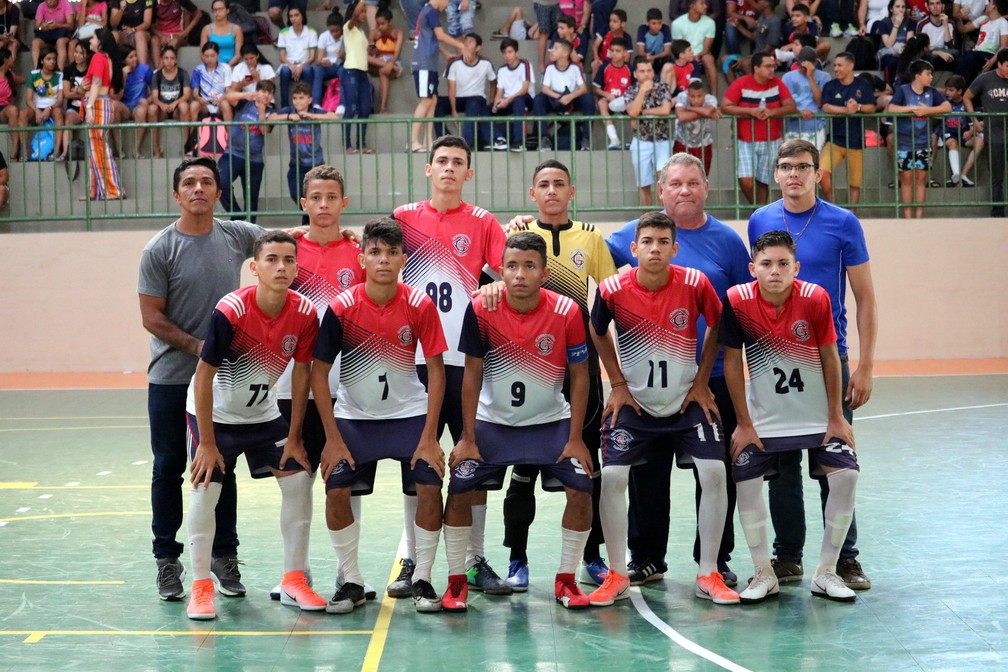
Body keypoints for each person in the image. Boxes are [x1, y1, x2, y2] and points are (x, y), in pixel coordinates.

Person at [605, 152, 750, 589]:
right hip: (647, 382)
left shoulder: (727, 242)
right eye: (675, 183)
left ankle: (715, 560)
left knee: (714, 470)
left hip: (711, 382)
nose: (684, 190)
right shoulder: (630, 237)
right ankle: (647, 555)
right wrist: (519, 227)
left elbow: (742, 309)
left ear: (706, 187)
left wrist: (720, 379)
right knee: (649, 471)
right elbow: (576, 254)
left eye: (692, 182)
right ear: (661, 189)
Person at [587, 210, 739, 608]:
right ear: (634, 248)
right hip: (636, 403)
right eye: (647, 242)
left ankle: (709, 570)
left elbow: (719, 326)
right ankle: (618, 571)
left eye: (663, 242)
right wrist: (617, 384)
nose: (655, 249)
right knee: (614, 477)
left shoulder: (695, 283)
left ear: (676, 248)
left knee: (715, 471)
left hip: (686, 400)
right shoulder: (612, 288)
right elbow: (596, 329)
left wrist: (703, 381)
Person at [748, 138, 877, 592]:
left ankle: (846, 558)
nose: (794, 174)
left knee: (835, 460)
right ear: (777, 172)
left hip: (829, 357)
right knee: (780, 466)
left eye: (803, 166)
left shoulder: (843, 223)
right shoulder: (760, 219)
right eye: (785, 166)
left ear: (818, 174)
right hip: (773, 358)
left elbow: (865, 299)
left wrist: (864, 366)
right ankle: (788, 558)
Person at [442, 232, 596, 612]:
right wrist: (467, 437)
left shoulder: (567, 311)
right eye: (512, 266)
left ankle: (566, 579)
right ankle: (457, 581)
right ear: (501, 271)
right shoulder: (481, 310)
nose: (520, 274)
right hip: (494, 425)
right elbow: (471, 374)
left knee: (581, 487)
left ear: (544, 272)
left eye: (529, 266)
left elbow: (580, 375)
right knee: (459, 486)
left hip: (550, 424)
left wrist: (575, 437)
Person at [390, 135, 510, 600]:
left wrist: (492, 287)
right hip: (412, 359)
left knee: (469, 457)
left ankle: (474, 559)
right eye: (441, 161)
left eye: (457, 162)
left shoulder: (482, 222)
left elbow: (509, 270)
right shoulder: (403, 219)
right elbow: (372, 260)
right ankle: (412, 559)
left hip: (465, 360)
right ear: (428, 169)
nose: (448, 169)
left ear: (468, 173)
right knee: (414, 462)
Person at [137, 157, 263, 603]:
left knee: (219, 467)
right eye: (189, 182)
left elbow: (288, 245)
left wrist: (335, 237)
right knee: (169, 467)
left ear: (217, 192)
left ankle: (223, 557)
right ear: (177, 194)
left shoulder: (236, 235)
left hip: (224, 382)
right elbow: (152, 317)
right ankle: (167, 561)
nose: (198, 188)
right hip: (173, 378)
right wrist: (200, 348)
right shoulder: (159, 249)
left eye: (207, 182)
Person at [183, 229, 323, 620]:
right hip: (216, 416)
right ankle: (200, 587)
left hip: (262, 416)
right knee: (205, 489)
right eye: (272, 259)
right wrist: (207, 444)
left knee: (297, 481)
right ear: (254, 267)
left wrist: (294, 437)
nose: (281, 267)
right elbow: (204, 374)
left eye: (289, 260)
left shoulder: (305, 312)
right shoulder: (232, 311)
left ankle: (295, 580)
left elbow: (302, 374)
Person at [311, 217, 449, 614]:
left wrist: (429, 436)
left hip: (409, 417)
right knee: (335, 487)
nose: (383, 260)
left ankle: (422, 576)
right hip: (355, 420)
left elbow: (436, 371)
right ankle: (351, 580)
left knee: (429, 485)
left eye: (391, 253)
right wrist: (333, 438)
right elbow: (319, 374)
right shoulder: (342, 307)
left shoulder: (419, 304)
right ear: (362, 258)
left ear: (404, 258)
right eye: (375, 252)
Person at [495, 159, 617, 592]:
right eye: (543, 185)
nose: (551, 191)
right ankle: (517, 558)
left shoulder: (591, 238)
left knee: (586, 463)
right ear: (533, 194)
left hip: (579, 367)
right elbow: (494, 290)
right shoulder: (515, 236)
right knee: (523, 466)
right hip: (527, 367)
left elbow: (605, 303)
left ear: (572, 191)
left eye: (559, 184)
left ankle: (592, 554)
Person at [720, 229, 860, 604]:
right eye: (766, 264)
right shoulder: (736, 301)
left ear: (796, 267)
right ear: (753, 268)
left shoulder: (815, 298)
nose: (775, 271)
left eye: (783, 264)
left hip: (817, 418)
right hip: (766, 421)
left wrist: (835, 417)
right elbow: (732, 363)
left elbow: (832, 357)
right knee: (745, 477)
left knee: (846, 476)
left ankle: (826, 571)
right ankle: (764, 572)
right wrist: (744, 423)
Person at [268, 165, 369, 604]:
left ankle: (349, 574)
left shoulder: (359, 253)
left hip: (345, 389)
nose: (324, 206)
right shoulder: (288, 253)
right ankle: (295, 573)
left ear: (343, 204)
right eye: (316, 198)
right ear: (304, 203)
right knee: (295, 482)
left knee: (343, 481)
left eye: (332, 197)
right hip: (292, 386)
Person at [721, 50, 797, 205]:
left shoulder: (777, 83)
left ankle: (760, 213)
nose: (772, 69)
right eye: (768, 66)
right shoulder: (741, 83)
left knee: (763, 181)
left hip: (772, 139)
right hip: (745, 140)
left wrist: (772, 112)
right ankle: (759, 210)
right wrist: (750, 111)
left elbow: (791, 106)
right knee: (746, 180)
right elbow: (725, 107)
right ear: (756, 68)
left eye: (773, 66)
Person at [886, 59, 950, 218]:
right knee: (906, 180)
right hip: (904, 143)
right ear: (917, 76)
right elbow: (891, 108)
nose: (931, 77)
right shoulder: (903, 90)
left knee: (922, 180)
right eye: (928, 74)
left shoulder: (932, 92)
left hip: (924, 142)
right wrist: (913, 109)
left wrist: (927, 110)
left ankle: (919, 217)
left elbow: (947, 107)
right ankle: (907, 217)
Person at [818, 51, 878, 206]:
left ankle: (851, 218)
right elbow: (825, 106)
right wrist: (845, 110)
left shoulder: (863, 86)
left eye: (839, 65)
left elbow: (871, 107)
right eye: (835, 65)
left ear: (850, 66)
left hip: (856, 141)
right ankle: (835, 208)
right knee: (822, 172)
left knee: (854, 184)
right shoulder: (830, 86)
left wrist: (857, 107)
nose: (836, 69)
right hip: (835, 140)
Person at [409, 0, 469, 153]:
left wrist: (446, 53)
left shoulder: (428, 12)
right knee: (426, 100)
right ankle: (413, 141)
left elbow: (433, 38)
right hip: (423, 64)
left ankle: (428, 140)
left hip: (429, 64)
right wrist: (461, 45)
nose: (447, 5)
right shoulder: (431, 12)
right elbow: (440, 35)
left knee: (433, 99)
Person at [277, 81, 338, 213]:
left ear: (309, 100)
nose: (297, 102)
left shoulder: (314, 111)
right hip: (296, 163)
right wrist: (288, 116)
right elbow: (271, 117)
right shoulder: (290, 111)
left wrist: (313, 116)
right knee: (296, 193)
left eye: (301, 98)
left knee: (314, 194)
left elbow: (334, 116)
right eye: (295, 98)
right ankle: (309, 216)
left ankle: (309, 221)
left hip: (315, 163)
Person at [217, 79, 274, 221]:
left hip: (254, 159)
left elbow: (264, 130)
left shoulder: (272, 111)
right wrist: (246, 95)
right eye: (263, 91)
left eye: (269, 93)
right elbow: (228, 97)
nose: (265, 95)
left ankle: (250, 230)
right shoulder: (245, 103)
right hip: (233, 153)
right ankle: (236, 214)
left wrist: (262, 113)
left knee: (252, 199)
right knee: (220, 181)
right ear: (257, 91)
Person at [625, 55, 675, 206]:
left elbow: (666, 110)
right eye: (642, 71)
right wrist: (642, 92)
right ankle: (648, 222)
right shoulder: (630, 90)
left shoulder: (662, 87)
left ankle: (663, 219)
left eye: (649, 70)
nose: (646, 74)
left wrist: (643, 113)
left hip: (662, 139)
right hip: (641, 140)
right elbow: (632, 112)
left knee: (663, 180)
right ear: (635, 74)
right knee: (644, 184)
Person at [964, 46, 1008, 216]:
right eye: (1007, 66)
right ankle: (998, 212)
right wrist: (974, 120)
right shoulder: (985, 79)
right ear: (999, 64)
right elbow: (967, 96)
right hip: (995, 134)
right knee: (997, 177)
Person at [532, 38, 596, 151]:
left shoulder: (575, 68)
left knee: (589, 100)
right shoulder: (550, 67)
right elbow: (545, 89)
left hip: (571, 98)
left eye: (556, 48)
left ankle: (586, 139)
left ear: (566, 53)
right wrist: (559, 97)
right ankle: (544, 138)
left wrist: (570, 96)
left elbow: (583, 89)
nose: (552, 51)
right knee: (538, 99)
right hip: (554, 98)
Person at [84, 29, 123, 200]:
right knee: (95, 149)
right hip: (104, 102)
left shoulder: (98, 57)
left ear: (100, 41)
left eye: (92, 37)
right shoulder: (108, 58)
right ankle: (96, 191)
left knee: (99, 148)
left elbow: (97, 83)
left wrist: (89, 106)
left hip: (98, 103)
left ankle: (113, 189)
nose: (90, 40)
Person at [442, 32, 497, 150]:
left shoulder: (485, 63)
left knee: (473, 103)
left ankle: (467, 143)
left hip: (476, 98)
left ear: (478, 48)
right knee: (435, 104)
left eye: (470, 42)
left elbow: (493, 83)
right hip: (458, 99)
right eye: (465, 41)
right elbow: (451, 88)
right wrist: (453, 110)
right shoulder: (454, 63)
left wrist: (491, 102)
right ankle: (443, 140)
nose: (466, 44)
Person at [934, 74, 982, 187]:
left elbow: (973, 124)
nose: (947, 92)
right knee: (952, 143)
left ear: (960, 91)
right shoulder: (944, 103)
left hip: (963, 134)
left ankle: (964, 174)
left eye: (951, 90)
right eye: (946, 89)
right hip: (948, 133)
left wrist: (970, 132)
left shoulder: (966, 105)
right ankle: (955, 174)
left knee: (980, 141)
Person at [490, 37, 535, 151]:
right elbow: (499, 92)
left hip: (525, 99)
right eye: (504, 53)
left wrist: (507, 100)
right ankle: (499, 139)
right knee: (484, 110)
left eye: (510, 52)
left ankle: (519, 142)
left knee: (518, 100)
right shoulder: (502, 70)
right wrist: (496, 103)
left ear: (516, 53)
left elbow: (525, 89)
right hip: (507, 101)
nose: (507, 55)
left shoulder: (525, 64)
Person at [781, 46, 830, 149]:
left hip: (816, 127)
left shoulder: (824, 76)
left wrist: (810, 77)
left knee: (812, 163)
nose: (803, 69)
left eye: (807, 67)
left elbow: (820, 102)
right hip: (793, 127)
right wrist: (799, 112)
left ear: (815, 64)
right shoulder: (788, 77)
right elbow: (785, 103)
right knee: (792, 163)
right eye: (801, 66)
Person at [147, 44, 190, 158]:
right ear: (162, 59)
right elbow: (155, 97)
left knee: (184, 106)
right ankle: (156, 149)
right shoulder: (157, 75)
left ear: (175, 60)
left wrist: (175, 103)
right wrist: (162, 105)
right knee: (151, 109)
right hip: (162, 110)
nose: (169, 61)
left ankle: (187, 146)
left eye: (172, 58)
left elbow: (186, 94)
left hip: (177, 109)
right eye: (166, 58)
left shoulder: (182, 73)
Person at [340, 1, 373, 153]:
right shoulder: (348, 27)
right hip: (351, 71)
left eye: (365, 11)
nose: (364, 14)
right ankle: (347, 144)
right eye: (362, 11)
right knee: (351, 108)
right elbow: (353, 15)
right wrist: (361, 2)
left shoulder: (361, 32)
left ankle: (361, 143)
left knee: (365, 109)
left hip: (362, 73)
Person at [22, 46, 65, 161]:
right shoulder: (34, 74)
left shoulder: (59, 75)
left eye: (54, 59)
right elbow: (28, 99)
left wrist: (49, 108)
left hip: (52, 108)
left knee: (59, 113)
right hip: (36, 107)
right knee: (23, 114)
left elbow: (60, 100)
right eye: (49, 59)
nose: (52, 62)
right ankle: (25, 152)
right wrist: (36, 110)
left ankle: (56, 152)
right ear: (41, 61)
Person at [673, 80, 720, 178]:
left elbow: (707, 112)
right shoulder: (682, 96)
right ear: (688, 94)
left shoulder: (710, 98)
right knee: (682, 176)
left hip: (704, 143)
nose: (696, 100)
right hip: (682, 142)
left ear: (704, 95)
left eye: (699, 96)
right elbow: (681, 116)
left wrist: (688, 109)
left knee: (701, 177)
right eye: (692, 96)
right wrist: (704, 113)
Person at [671, 0, 719, 95]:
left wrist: (697, 56)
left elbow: (706, 48)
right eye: (702, 3)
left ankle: (714, 97)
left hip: (702, 56)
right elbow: (679, 48)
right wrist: (690, 57)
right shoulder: (677, 24)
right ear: (692, 6)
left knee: (709, 59)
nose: (706, 6)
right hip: (685, 56)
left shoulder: (710, 23)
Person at [593, 35, 632, 150]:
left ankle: (632, 140)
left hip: (625, 101)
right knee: (601, 103)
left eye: (618, 51)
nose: (614, 53)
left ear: (625, 53)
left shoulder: (630, 68)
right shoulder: (605, 67)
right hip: (610, 101)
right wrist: (606, 94)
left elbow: (635, 88)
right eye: (612, 51)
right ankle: (614, 138)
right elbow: (596, 88)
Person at [955, 0, 1008, 85]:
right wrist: (959, 17)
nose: (987, 4)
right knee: (960, 59)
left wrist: (991, 61)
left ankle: (971, 89)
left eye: (990, 2)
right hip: (976, 53)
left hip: (990, 55)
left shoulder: (1003, 22)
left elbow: (1004, 46)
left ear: (994, 6)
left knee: (970, 58)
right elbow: (963, 30)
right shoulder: (983, 19)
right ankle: (959, 89)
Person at [117, 43, 154, 158]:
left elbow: (155, 92)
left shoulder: (145, 69)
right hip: (125, 107)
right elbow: (117, 97)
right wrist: (123, 76)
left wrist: (148, 100)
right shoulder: (118, 71)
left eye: (135, 56)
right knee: (113, 106)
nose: (135, 59)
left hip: (138, 105)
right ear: (124, 61)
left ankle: (136, 149)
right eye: (131, 57)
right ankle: (119, 149)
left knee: (142, 111)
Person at [277, 5, 317, 109]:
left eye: (296, 15)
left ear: (302, 16)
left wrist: (301, 67)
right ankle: (284, 106)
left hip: (305, 63)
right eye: (291, 16)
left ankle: (309, 104)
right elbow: (281, 57)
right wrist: (292, 66)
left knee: (308, 70)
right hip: (289, 64)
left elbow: (312, 57)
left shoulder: (311, 31)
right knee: (284, 71)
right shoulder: (283, 32)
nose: (293, 18)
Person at [367, 8, 403, 115]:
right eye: (378, 24)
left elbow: (397, 52)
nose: (380, 27)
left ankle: (383, 108)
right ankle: (394, 68)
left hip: (392, 61)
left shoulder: (398, 33)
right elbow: (369, 50)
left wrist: (391, 63)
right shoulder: (374, 33)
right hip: (377, 61)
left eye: (383, 24)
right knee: (364, 57)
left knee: (383, 71)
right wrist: (373, 50)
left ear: (390, 22)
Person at [188, 40, 233, 122]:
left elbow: (228, 91)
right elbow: (195, 93)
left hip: (220, 102)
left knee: (226, 105)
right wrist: (199, 99)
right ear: (202, 55)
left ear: (218, 54)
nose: (209, 59)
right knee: (193, 105)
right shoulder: (198, 70)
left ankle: (230, 134)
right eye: (206, 56)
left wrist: (220, 99)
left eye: (212, 56)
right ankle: (192, 134)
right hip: (204, 103)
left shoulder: (225, 68)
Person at [149, 0, 202, 69]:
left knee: (173, 42)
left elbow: (198, 14)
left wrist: (185, 32)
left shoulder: (180, 1)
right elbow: (150, 25)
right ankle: (159, 72)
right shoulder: (154, 2)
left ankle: (158, 71)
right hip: (160, 35)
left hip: (178, 34)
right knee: (154, 40)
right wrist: (161, 36)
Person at [60, 41, 90, 160]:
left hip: (89, 106)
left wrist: (76, 90)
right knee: (68, 121)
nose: (77, 55)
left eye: (81, 53)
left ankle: (91, 153)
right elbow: (66, 93)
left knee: (92, 122)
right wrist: (79, 90)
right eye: (75, 52)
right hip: (74, 107)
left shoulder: (91, 68)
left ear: (87, 55)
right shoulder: (68, 69)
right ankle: (66, 152)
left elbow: (90, 92)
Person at [313, 11, 344, 109]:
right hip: (329, 66)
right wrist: (323, 61)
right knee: (318, 71)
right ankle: (316, 104)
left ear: (342, 28)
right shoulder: (324, 36)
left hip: (342, 65)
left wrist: (343, 56)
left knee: (344, 71)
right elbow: (318, 60)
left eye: (337, 31)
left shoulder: (346, 36)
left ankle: (342, 104)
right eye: (332, 31)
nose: (334, 34)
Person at [32, 0, 74, 71]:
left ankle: (59, 72)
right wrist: (42, 27)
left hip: (62, 35)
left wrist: (57, 25)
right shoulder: (41, 6)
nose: (48, 2)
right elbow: (36, 27)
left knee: (60, 42)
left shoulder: (66, 4)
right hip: (46, 35)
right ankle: (37, 72)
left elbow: (71, 26)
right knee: (35, 43)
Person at [199, 0, 242, 68]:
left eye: (220, 9)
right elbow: (203, 53)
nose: (217, 12)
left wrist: (228, 66)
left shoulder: (237, 29)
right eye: (215, 10)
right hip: (212, 67)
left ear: (227, 10)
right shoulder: (206, 29)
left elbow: (238, 54)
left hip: (232, 66)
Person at [111, 0, 153, 67]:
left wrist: (133, 29)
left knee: (139, 35)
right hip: (124, 34)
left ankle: (142, 71)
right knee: (113, 35)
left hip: (141, 32)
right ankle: (112, 70)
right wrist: (121, 10)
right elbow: (113, 23)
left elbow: (147, 23)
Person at [636, 7, 674, 73]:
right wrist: (646, 55)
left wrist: (654, 57)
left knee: (668, 60)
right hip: (646, 57)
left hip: (661, 58)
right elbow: (640, 51)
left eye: (659, 23)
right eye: (653, 23)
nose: (657, 26)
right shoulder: (642, 29)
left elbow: (667, 51)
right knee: (638, 60)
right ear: (647, 23)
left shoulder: (665, 29)